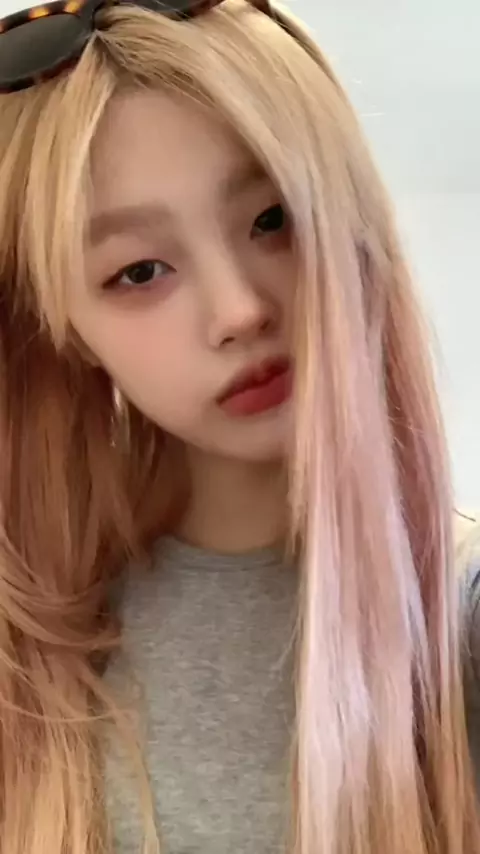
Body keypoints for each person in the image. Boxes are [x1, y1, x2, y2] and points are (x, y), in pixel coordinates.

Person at [0, 1, 478, 852]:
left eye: (272, 219)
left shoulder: (460, 618)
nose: (240, 310)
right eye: (139, 271)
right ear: (61, 329)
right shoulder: (28, 659)